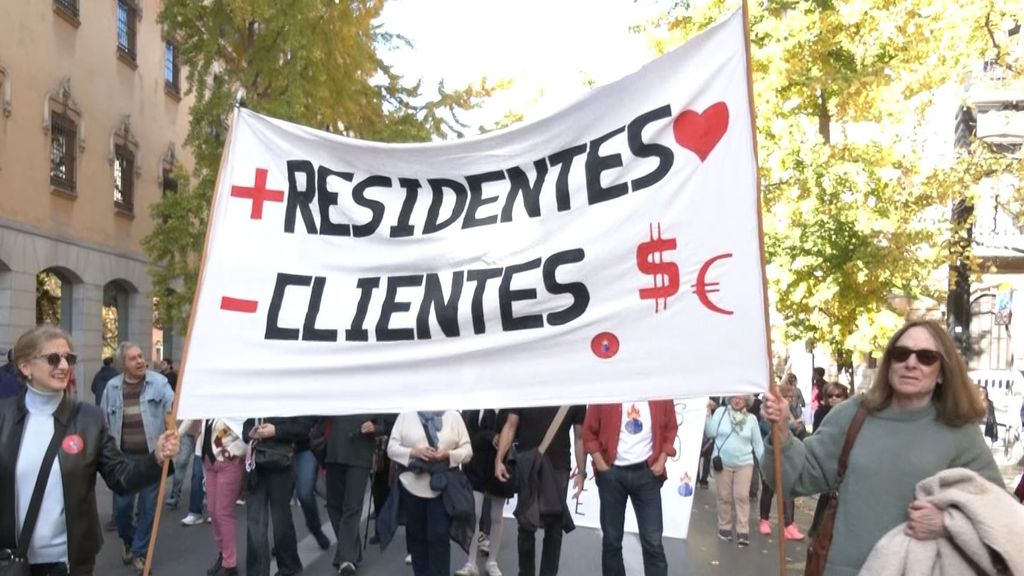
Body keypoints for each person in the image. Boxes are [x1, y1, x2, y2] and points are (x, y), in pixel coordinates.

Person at [761, 319, 1004, 575]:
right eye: (901, 354)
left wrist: (947, 523)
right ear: (889, 364)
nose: (911, 363)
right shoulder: (854, 415)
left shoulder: (960, 432)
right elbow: (796, 477)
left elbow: (996, 513)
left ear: (942, 371)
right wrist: (781, 431)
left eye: (926, 357)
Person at [0, 325, 179, 576]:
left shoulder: (89, 419)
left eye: (68, 359)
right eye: (53, 359)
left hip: (70, 562)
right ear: (25, 366)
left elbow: (121, 478)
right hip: (11, 561)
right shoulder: (4, 416)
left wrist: (157, 458)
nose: (63, 366)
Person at [100, 341, 175, 573]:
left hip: (152, 459)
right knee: (122, 512)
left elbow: (173, 405)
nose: (141, 361)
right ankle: (129, 541)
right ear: (123, 364)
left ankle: (140, 552)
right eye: (134, 358)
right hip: (122, 462)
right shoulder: (112, 388)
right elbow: (103, 422)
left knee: (148, 509)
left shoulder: (159, 382)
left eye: (141, 356)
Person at [580, 400, 678, 576]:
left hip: (647, 474)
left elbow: (671, 427)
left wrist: (662, 458)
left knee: (653, 541)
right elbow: (589, 432)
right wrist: (600, 462)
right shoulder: (607, 390)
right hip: (612, 475)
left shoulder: (660, 390)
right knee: (611, 541)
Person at [495, 405, 586, 576]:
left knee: (554, 527)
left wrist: (582, 472)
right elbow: (510, 425)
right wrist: (499, 459)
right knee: (526, 523)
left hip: (557, 467)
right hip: (529, 463)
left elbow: (580, 437)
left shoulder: (574, 389)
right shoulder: (527, 384)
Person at [386, 410, 473, 576]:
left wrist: (448, 455)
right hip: (411, 485)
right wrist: (414, 452)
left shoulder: (453, 416)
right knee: (417, 538)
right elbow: (391, 448)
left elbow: (467, 450)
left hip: (442, 486)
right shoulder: (406, 415)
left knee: (439, 536)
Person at [315, 413, 391, 575]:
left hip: (359, 455)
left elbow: (386, 424)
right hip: (333, 453)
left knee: (352, 506)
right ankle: (350, 551)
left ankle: (346, 559)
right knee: (334, 505)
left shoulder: (371, 395)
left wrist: (374, 427)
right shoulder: (334, 393)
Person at [243, 415, 313, 576]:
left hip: (282, 462)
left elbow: (304, 427)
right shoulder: (258, 397)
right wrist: (250, 433)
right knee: (255, 521)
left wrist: (276, 431)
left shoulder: (290, 398)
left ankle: (289, 565)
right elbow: (246, 426)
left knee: (281, 519)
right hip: (256, 464)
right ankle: (257, 571)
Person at [456, 409, 513, 576]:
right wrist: (489, 435)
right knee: (474, 513)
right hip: (475, 465)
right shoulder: (472, 406)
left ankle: (492, 561)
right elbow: (466, 437)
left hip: (500, 463)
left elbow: (513, 432)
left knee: (496, 515)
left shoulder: (508, 407)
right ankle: (470, 562)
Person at [704, 395, 764, 547]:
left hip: (744, 463)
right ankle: (724, 527)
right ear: (729, 398)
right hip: (722, 462)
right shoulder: (721, 412)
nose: (737, 400)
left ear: (747, 401)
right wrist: (707, 414)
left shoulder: (751, 419)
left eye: (742, 398)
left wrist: (765, 465)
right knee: (724, 496)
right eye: (735, 397)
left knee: (742, 496)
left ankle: (743, 531)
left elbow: (758, 444)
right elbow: (710, 432)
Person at [196, 418, 247, 576]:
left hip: (228, 463)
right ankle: (223, 554)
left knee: (223, 513)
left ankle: (230, 564)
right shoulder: (209, 406)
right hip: (209, 462)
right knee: (212, 510)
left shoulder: (232, 405)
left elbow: (238, 430)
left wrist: (227, 449)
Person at [757, 384, 804, 541]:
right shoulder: (768, 411)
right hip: (769, 457)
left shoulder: (792, 412)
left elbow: (797, 435)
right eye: (787, 396)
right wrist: (786, 425)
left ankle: (788, 524)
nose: (790, 399)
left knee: (788, 492)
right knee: (768, 490)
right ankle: (764, 519)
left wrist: (796, 427)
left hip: (787, 459)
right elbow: (766, 429)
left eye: (792, 397)